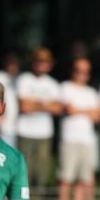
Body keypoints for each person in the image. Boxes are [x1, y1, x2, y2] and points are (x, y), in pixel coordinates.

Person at [58, 57, 100, 200]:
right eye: (78, 70)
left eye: (85, 71)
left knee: (84, 179)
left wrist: (79, 110)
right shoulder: (65, 87)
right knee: (66, 178)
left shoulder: (91, 92)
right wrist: (88, 111)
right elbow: (69, 109)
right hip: (70, 139)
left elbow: (97, 116)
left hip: (88, 141)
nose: (81, 74)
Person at [16, 48, 62, 186]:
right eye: (39, 61)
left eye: (45, 61)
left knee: (42, 173)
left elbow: (58, 109)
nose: (42, 64)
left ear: (50, 64)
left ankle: (39, 199)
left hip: (45, 134)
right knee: (24, 172)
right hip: (25, 132)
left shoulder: (53, 83)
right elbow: (24, 107)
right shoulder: (24, 79)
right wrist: (46, 104)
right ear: (33, 62)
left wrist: (34, 103)